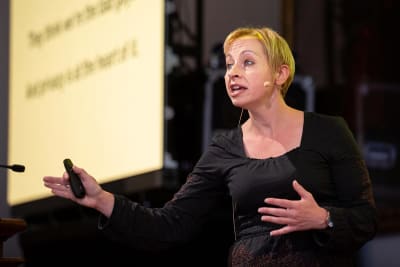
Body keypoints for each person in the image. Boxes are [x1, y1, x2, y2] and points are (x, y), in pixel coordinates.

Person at [43, 26, 378, 266]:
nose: (232, 73)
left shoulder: (330, 131)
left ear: (279, 74)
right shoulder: (225, 149)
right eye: (229, 64)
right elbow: (169, 225)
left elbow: (365, 218)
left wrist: (324, 218)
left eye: (247, 62)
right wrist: (101, 199)